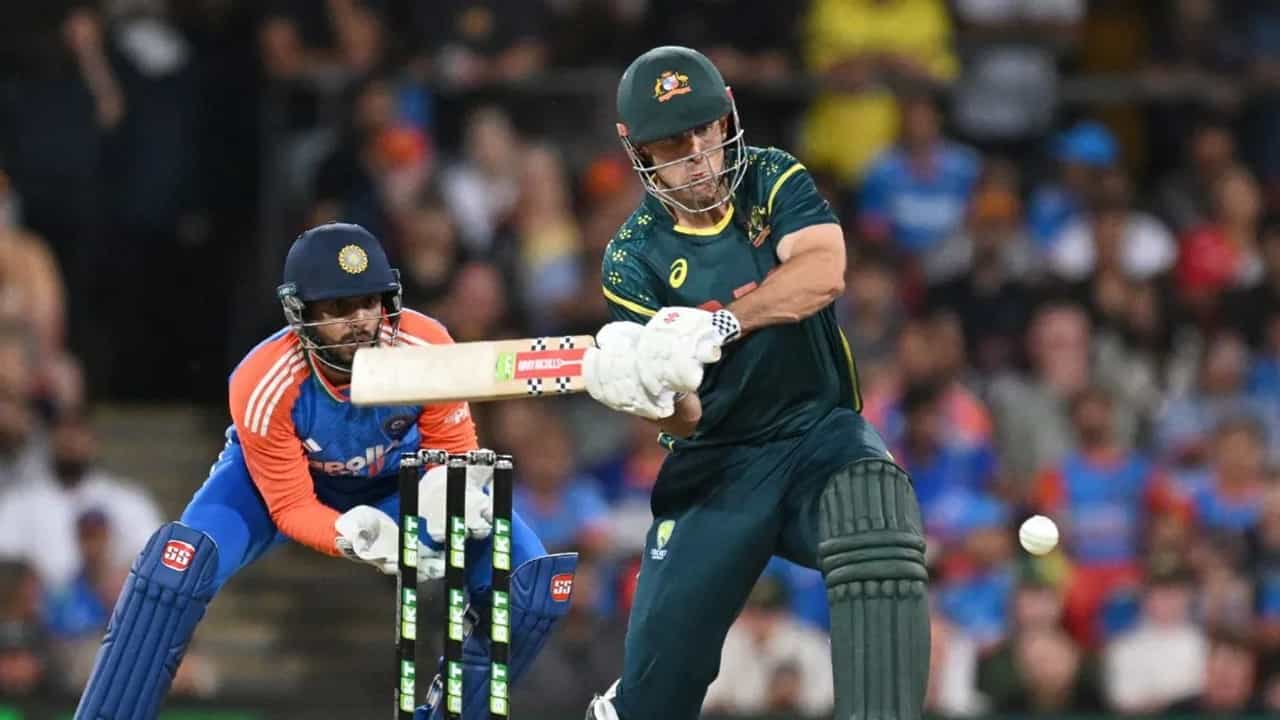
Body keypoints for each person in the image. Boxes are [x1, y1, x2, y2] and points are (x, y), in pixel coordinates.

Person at [73, 223, 576, 719]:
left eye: (370, 302)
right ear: (301, 313)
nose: (360, 321)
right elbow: (291, 505)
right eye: (338, 308)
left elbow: (453, 451)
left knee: (533, 586)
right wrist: (346, 535)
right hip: (278, 486)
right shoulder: (262, 380)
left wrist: (452, 492)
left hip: (398, 482)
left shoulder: (426, 346)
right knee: (174, 570)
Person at [581, 46, 929, 720]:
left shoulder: (771, 176)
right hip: (716, 467)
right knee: (654, 699)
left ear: (727, 117)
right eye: (673, 143)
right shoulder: (632, 258)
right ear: (638, 149)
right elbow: (684, 418)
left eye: (706, 130)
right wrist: (649, 392)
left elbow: (823, 272)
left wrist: (720, 326)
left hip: (818, 435)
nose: (698, 156)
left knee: (879, 522)